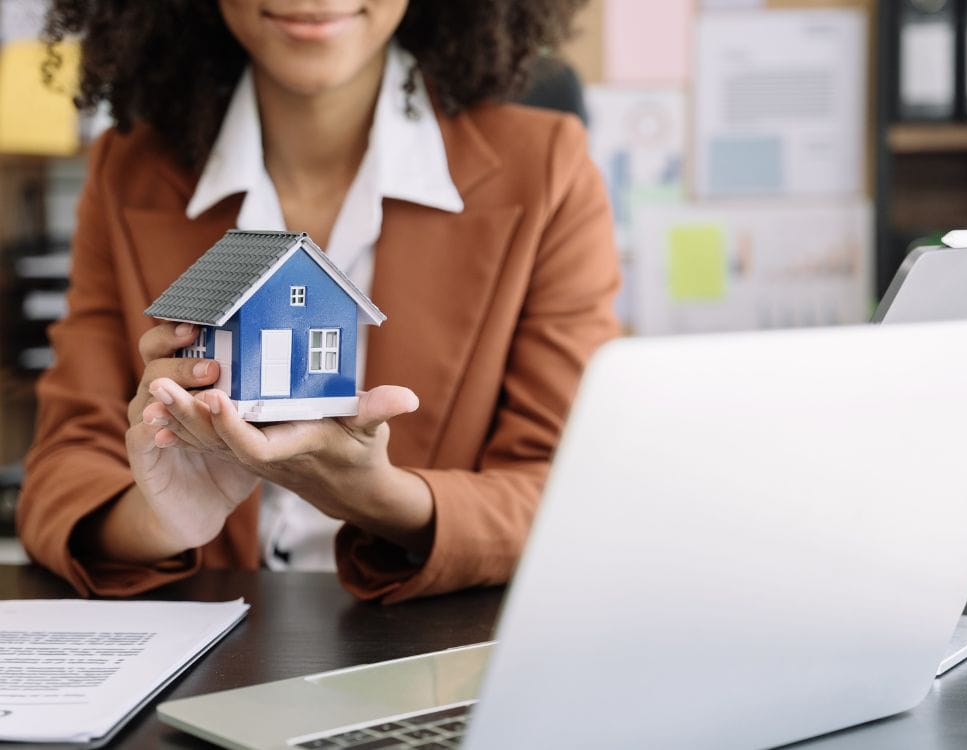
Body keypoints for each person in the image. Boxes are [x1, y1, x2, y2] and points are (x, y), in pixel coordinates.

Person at [17, 0, 621, 603]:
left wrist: (377, 496)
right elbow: (58, 478)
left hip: (426, 652)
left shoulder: (547, 169)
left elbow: (570, 495)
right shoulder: (129, 170)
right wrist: (163, 519)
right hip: (215, 651)